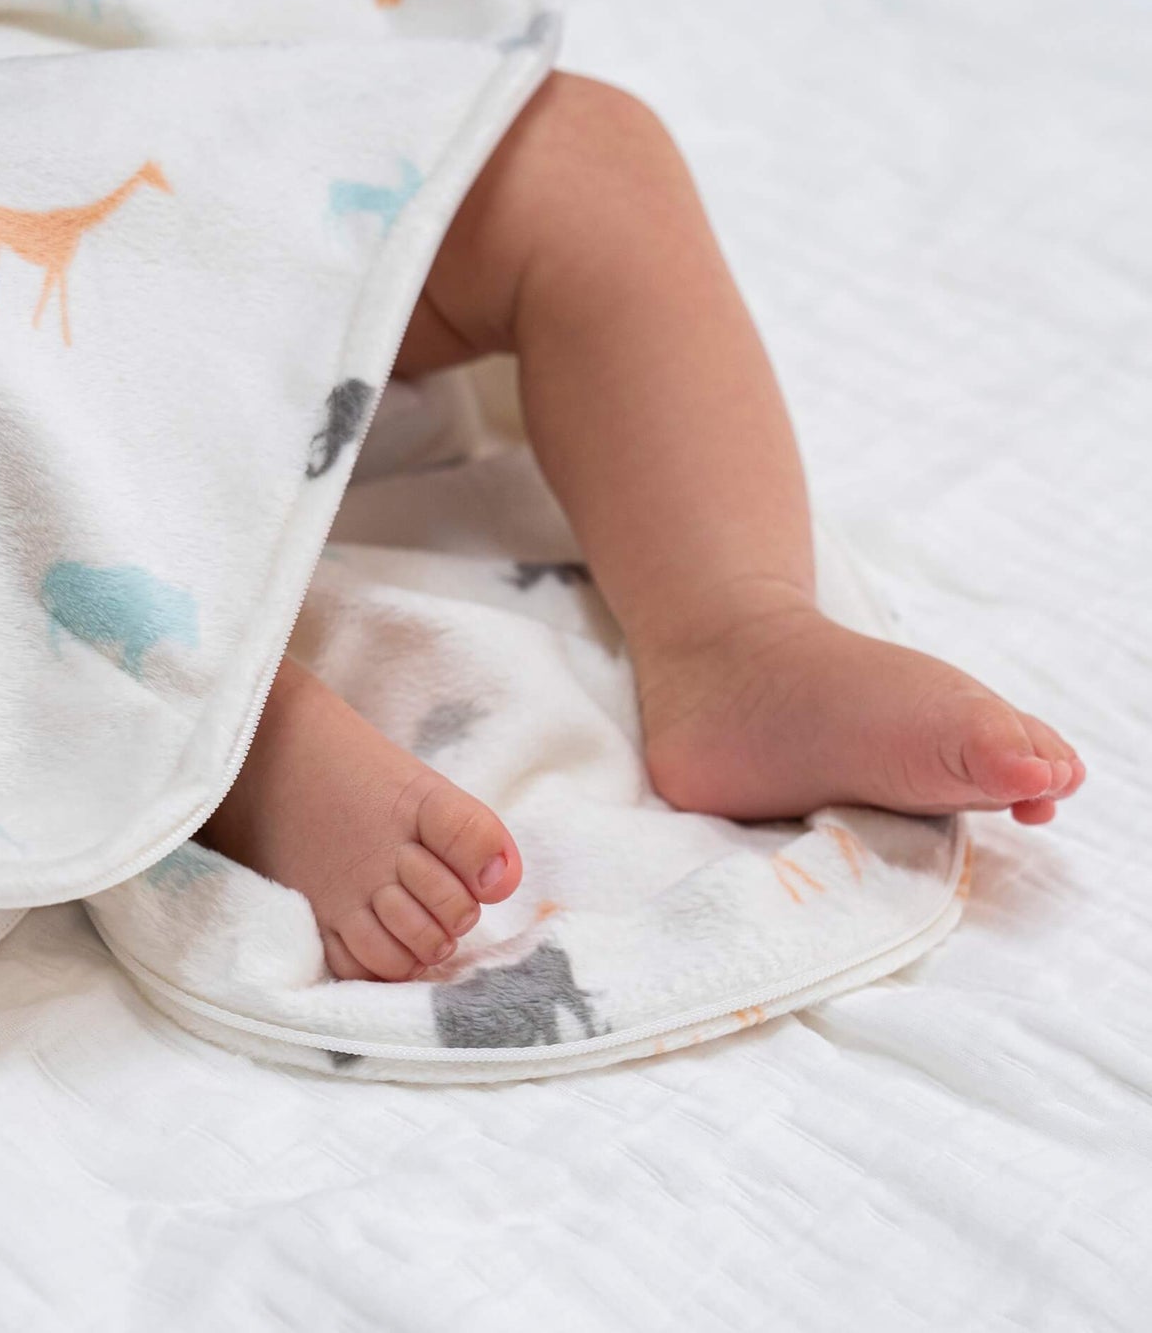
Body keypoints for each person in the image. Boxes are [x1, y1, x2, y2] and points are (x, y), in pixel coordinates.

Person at [202, 70, 1086, 983]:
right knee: (39, 459)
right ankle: (236, 741)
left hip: (175, 165)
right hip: (58, 326)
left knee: (575, 146)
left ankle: (735, 633)